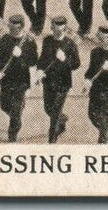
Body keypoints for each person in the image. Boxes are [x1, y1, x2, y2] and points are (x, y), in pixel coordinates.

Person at [39, 15, 80, 143]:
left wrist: (65, 60)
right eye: (54, 25)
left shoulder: (70, 44)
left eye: (60, 26)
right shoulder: (47, 41)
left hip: (63, 83)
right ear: (51, 27)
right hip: (48, 80)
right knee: (48, 108)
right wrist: (40, 70)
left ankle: (52, 139)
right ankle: (62, 120)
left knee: (55, 111)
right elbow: (42, 58)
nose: (57, 28)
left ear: (65, 28)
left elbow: (76, 64)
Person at [0, 14, 37, 142]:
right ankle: (16, 115)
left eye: (13, 25)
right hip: (7, 78)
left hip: (21, 80)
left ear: (20, 27)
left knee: (15, 109)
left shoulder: (29, 41)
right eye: (9, 24)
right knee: (4, 105)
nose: (9, 27)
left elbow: (33, 61)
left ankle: (13, 133)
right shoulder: (5, 39)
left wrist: (21, 55)